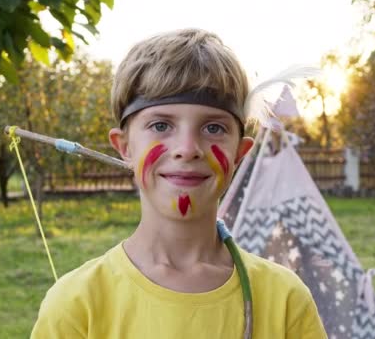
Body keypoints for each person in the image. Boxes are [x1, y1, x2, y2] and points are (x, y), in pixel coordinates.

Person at [31, 28, 327, 339]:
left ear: (240, 152)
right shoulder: (77, 304)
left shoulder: (285, 301)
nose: (187, 148)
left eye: (213, 127)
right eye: (161, 125)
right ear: (125, 146)